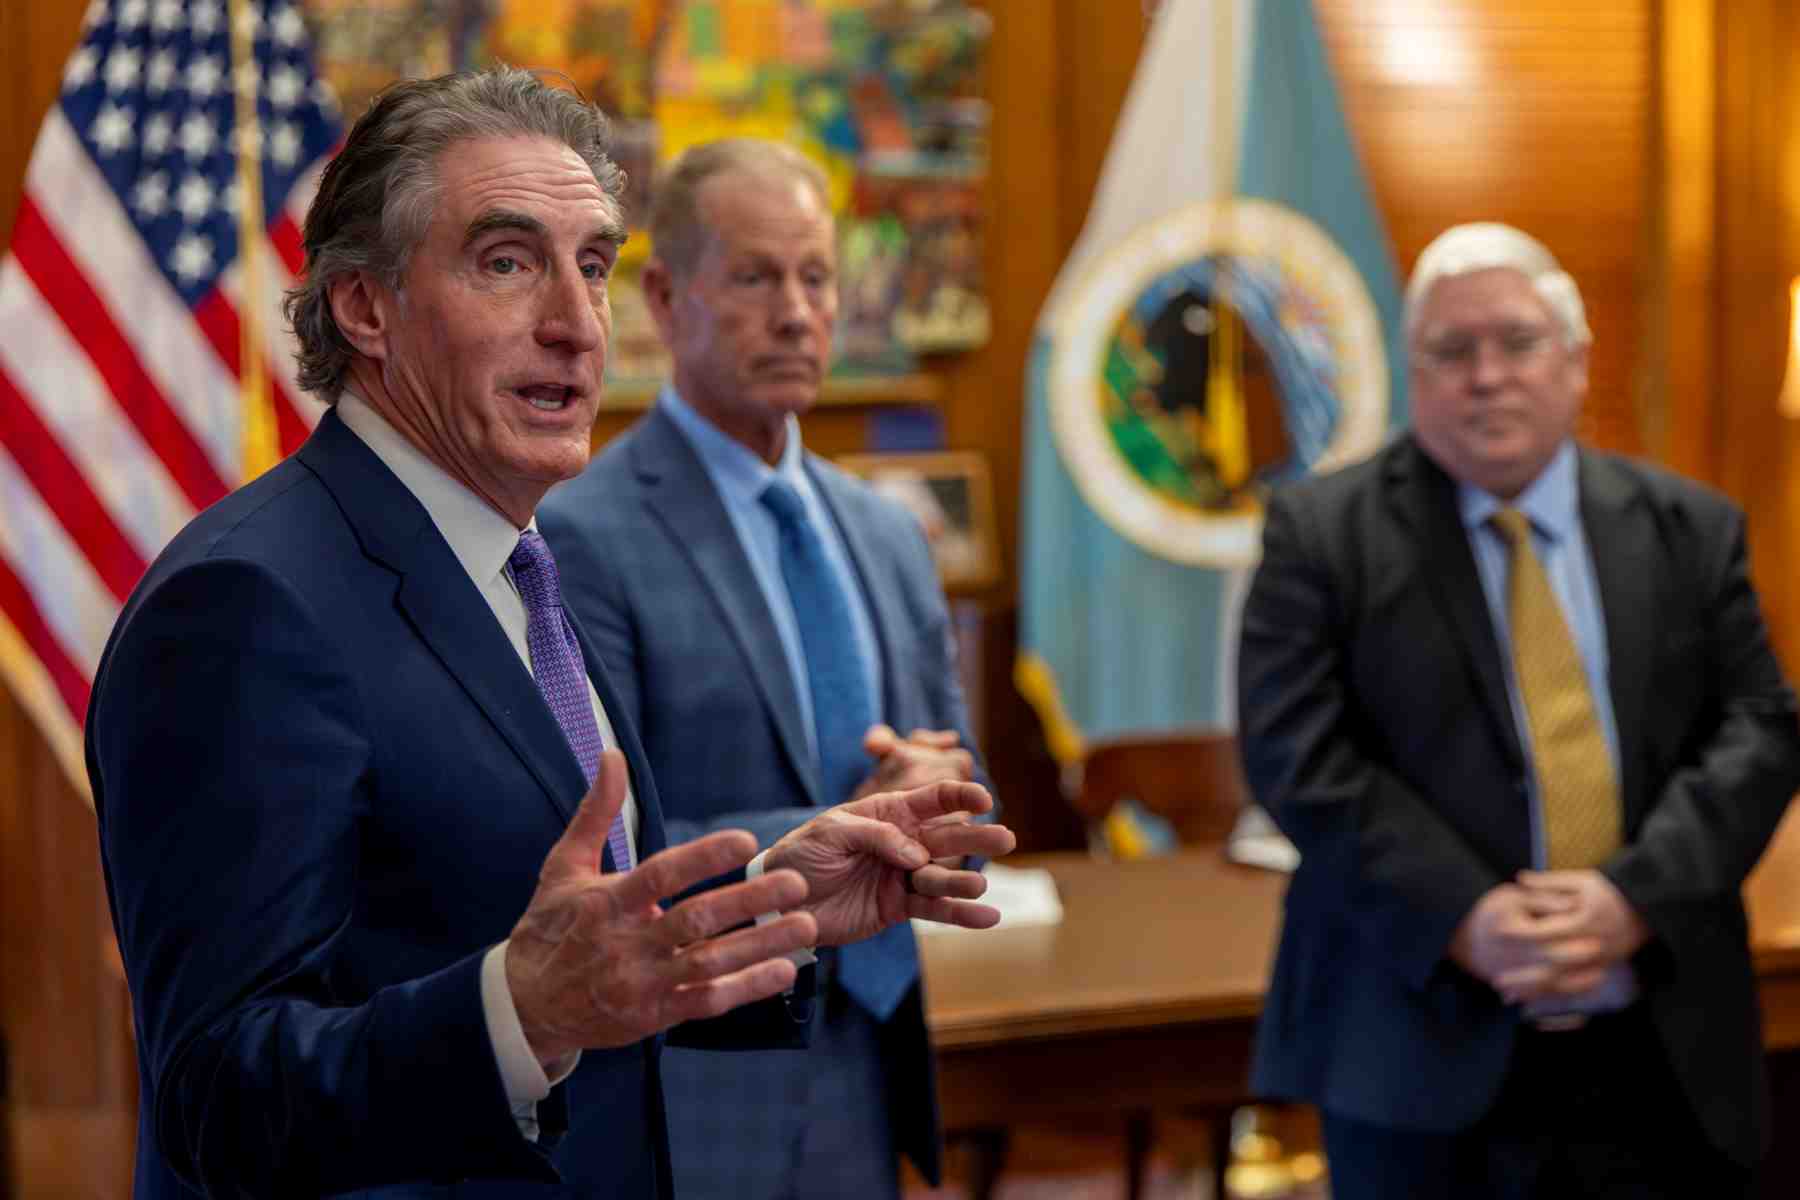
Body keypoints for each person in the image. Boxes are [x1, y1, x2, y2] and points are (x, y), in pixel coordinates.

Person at [85, 69, 1014, 1200]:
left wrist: (766, 898)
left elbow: (546, 932)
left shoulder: (515, 563)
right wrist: (515, 1015)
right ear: (363, 307)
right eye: (508, 261)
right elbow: (217, 1098)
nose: (578, 327)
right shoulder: (247, 606)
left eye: (593, 266)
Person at [1236, 222, 1800, 1199]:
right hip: (1416, 1048)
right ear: (1415, 375)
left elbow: (1759, 727)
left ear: (1576, 363)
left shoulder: (1689, 528)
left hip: (1662, 1046)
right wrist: (1467, 913)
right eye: (1453, 352)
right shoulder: (1319, 536)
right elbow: (1297, 757)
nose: (1487, 376)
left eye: (1518, 342)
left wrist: (1634, 897)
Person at [539, 139, 983, 1200]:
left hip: (875, 1050)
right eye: (755, 277)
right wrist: (836, 831)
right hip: (696, 1072)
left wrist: (932, 796)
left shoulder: (886, 530)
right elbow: (599, 851)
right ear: (661, 295)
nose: (796, 311)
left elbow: (963, 776)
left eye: (817, 277)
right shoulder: (580, 534)